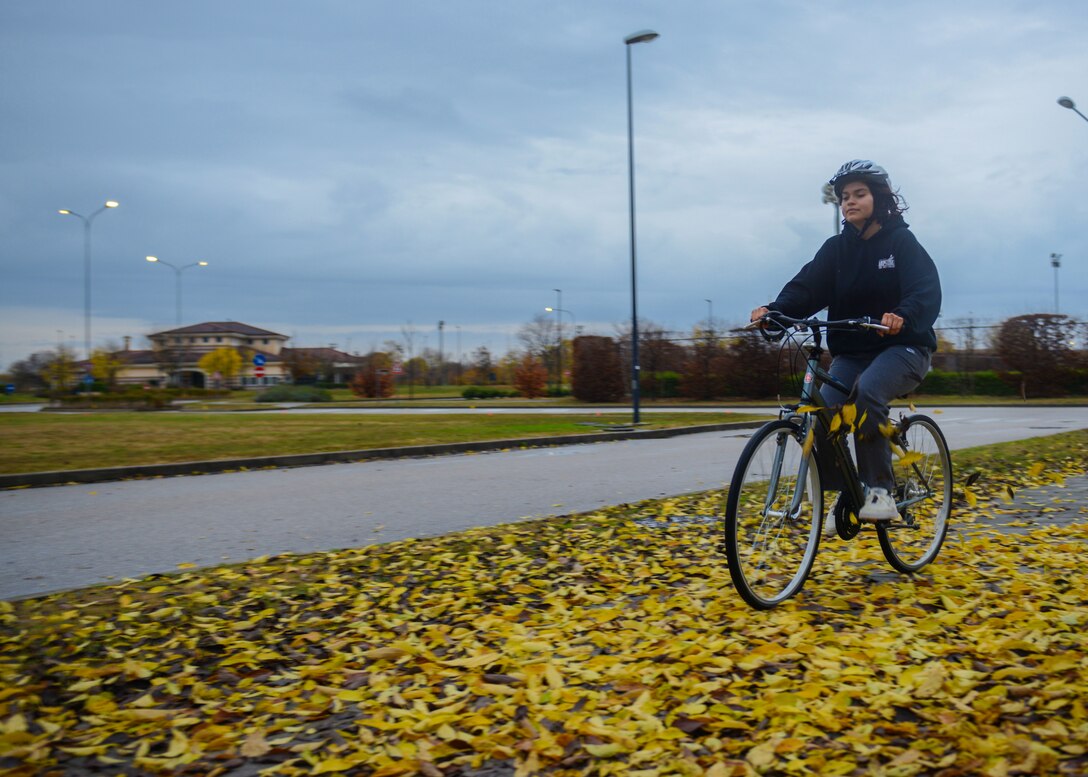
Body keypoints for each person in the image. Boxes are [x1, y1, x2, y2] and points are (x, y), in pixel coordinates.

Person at [750, 160, 941, 522]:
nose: (849, 202)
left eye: (859, 194)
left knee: (866, 394)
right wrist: (774, 311)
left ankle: (880, 491)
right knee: (820, 413)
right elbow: (807, 288)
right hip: (853, 351)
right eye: (844, 197)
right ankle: (848, 491)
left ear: (878, 199)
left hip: (903, 348)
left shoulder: (901, 242)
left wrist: (903, 315)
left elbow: (925, 290)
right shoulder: (836, 249)